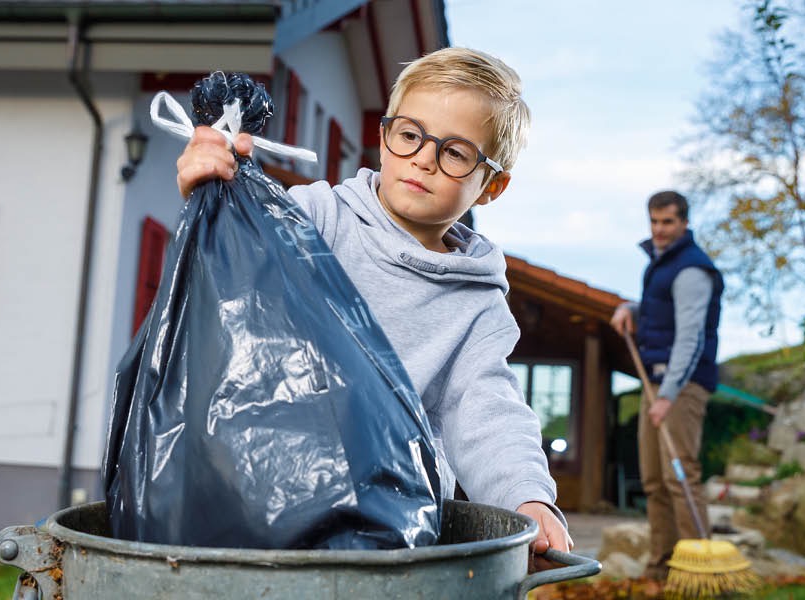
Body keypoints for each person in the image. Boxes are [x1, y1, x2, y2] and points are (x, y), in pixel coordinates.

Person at [175, 47, 571, 569]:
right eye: (410, 135)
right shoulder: (316, 219)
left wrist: (527, 496)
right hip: (261, 480)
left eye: (455, 153)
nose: (423, 159)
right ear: (385, 134)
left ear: (491, 185)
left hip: (388, 521)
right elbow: (231, 281)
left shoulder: (478, 305)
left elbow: (486, 410)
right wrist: (211, 191)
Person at [610, 190, 724, 581]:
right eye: (654, 222)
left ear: (684, 223)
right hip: (655, 383)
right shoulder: (663, 265)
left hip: (681, 385)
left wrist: (669, 395)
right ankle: (660, 569)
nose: (659, 230)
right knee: (655, 481)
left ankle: (699, 574)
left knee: (680, 477)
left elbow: (690, 338)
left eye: (668, 222)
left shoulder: (692, 269)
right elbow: (663, 311)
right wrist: (631, 309)